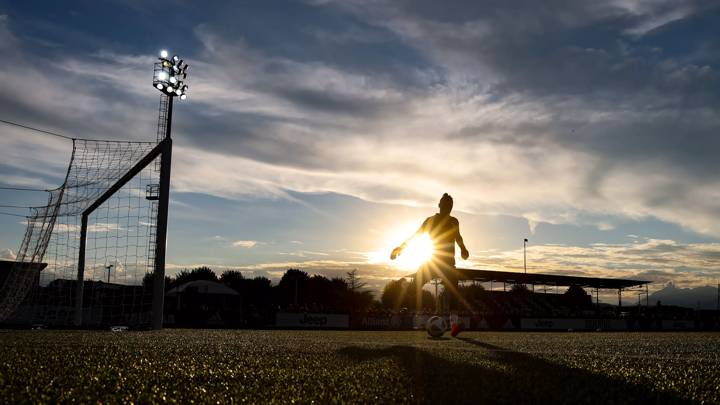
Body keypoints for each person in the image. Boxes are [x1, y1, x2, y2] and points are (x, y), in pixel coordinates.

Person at [390, 193, 469, 336]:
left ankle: (454, 325)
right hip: (432, 262)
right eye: (445, 204)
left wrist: (463, 248)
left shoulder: (454, 221)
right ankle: (403, 311)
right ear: (439, 205)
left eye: (450, 205)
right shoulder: (430, 220)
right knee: (414, 288)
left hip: (448, 264)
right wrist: (401, 247)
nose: (447, 207)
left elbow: (458, 236)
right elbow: (416, 235)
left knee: (454, 291)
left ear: (452, 207)